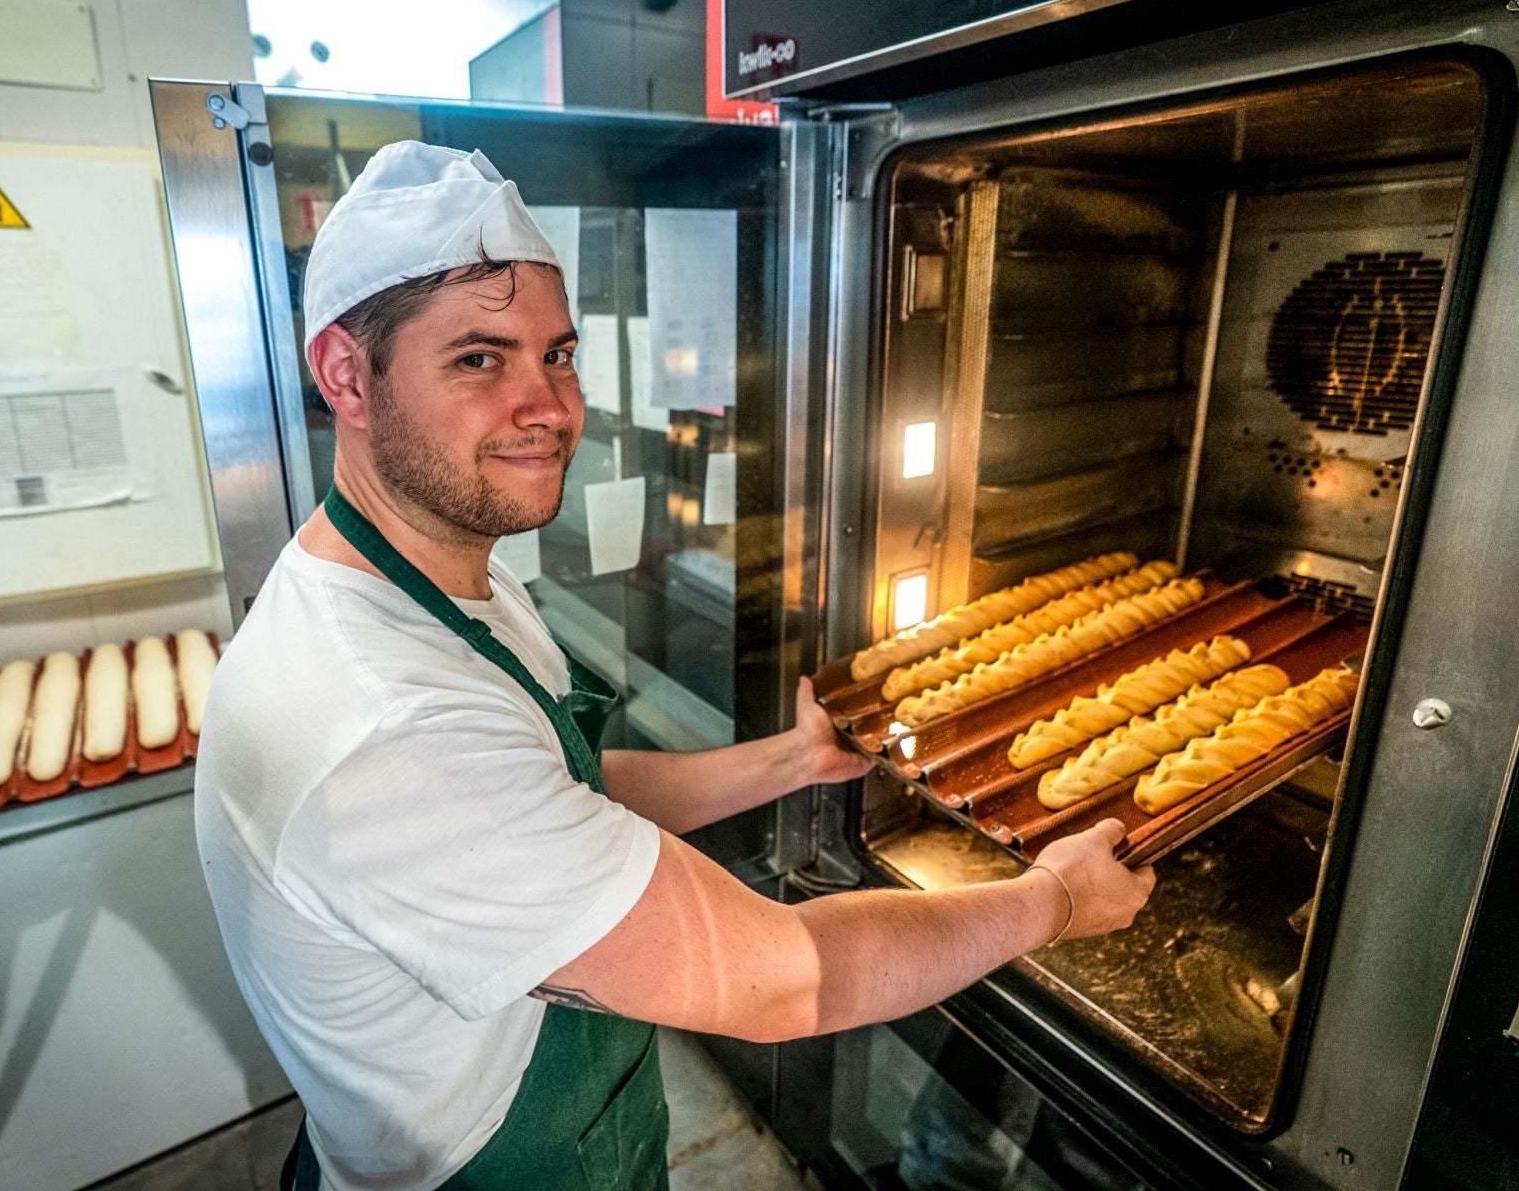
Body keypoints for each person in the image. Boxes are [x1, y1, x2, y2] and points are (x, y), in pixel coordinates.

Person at [192, 141, 1156, 1191]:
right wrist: (1048, 899)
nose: (552, 406)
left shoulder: (433, 578)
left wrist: (788, 760)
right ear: (346, 375)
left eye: (555, 353)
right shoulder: (383, 720)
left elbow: (555, 790)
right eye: (479, 358)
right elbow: (788, 981)